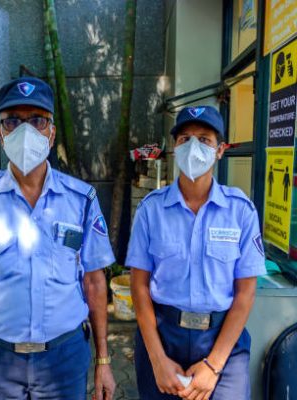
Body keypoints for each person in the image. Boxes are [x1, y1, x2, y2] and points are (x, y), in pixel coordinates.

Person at [0, 77, 116, 400]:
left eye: (37, 121)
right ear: (1, 133)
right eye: (13, 121)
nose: (25, 131)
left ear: (51, 134)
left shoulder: (81, 200)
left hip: (64, 359)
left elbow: (94, 283)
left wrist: (103, 361)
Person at [126, 106, 266, 400]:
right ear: (174, 147)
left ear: (220, 150)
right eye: (185, 138)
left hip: (222, 340)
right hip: (163, 337)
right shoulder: (152, 209)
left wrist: (214, 366)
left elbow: (245, 293)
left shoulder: (240, 211)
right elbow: (138, 285)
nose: (193, 147)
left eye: (204, 139)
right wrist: (157, 358)